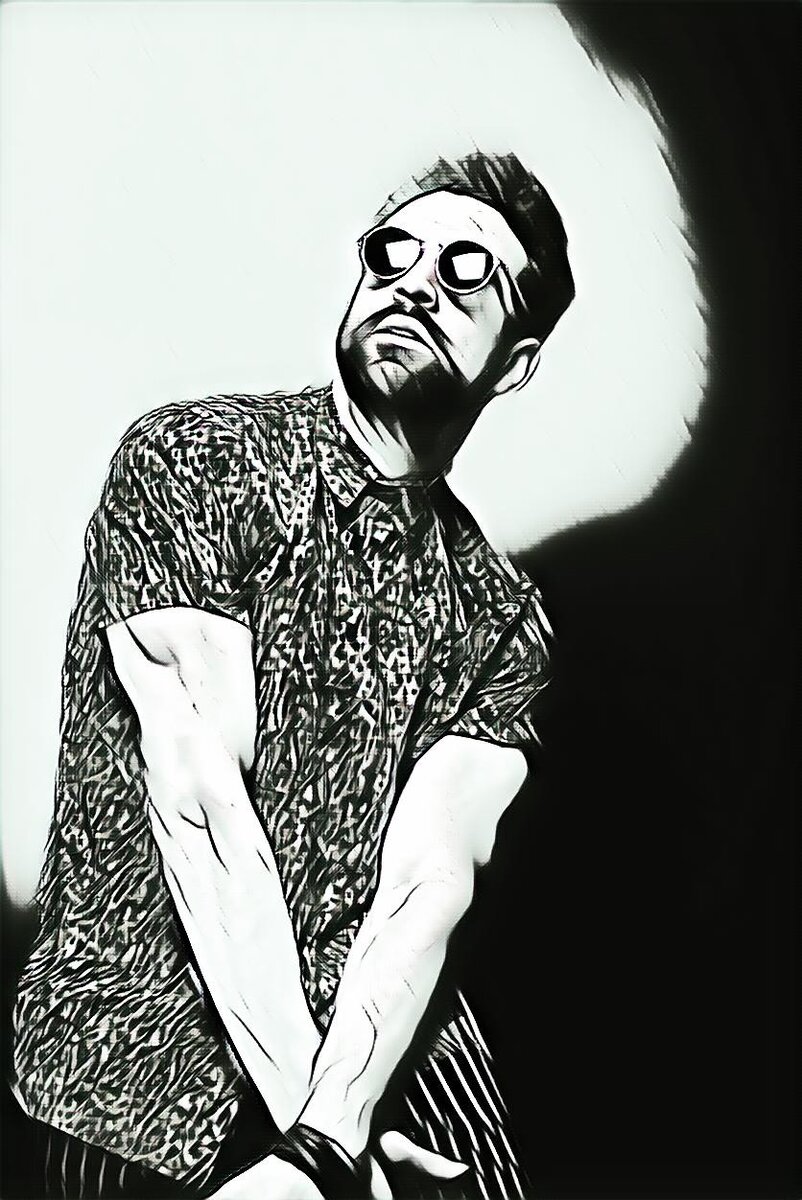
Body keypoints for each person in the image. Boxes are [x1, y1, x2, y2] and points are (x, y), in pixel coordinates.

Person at [10, 150, 575, 1199]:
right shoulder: (194, 462)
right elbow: (204, 815)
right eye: (392, 253)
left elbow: (426, 887)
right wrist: (320, 1153)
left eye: (466, 271)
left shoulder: (502, 618)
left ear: (516, 361)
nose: (416, 282)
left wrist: (329, 1134)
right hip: (136, 1071)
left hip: (379, 1063)